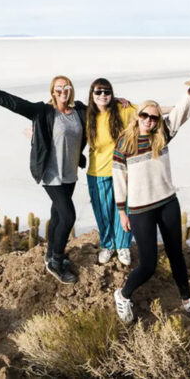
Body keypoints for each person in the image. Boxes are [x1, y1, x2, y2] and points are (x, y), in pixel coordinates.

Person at [112, 61, 190, 323]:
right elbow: (119, 178)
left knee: (176, 254)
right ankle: (123, 294)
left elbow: (183, 109)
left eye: (153, 117)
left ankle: (187, 300)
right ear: (137, 116)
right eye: (145, 116)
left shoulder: (163, 134)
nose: (149, 121)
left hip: (167, 203)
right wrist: (121, 211)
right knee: (148, 264)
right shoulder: (125, 143)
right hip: (140, 210)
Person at [0, 70, 85, 284]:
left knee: (58, 214)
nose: (63, 91)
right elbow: (15, 103)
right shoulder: (43, 111)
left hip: (70, 173)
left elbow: (101, 109)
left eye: (66, 87)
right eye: (58, 88)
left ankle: (51, 254)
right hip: (50, 173)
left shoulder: (79, 111)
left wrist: (120, 101)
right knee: (68, 216)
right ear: (53, 91)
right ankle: (56, 262)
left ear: (71, 90)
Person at [85, 78, 136, 266]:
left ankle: (123, 246)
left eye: (107, 92)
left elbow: (147, 112)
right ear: (92, 94)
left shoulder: (122, 110)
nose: (103, 95)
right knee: (103, 212)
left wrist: (179, 107)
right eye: (98, 92)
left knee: (125, 210)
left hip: (123, 170)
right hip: (97, 172)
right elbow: (59, 111)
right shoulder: (86, 114)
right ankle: (108, 245)